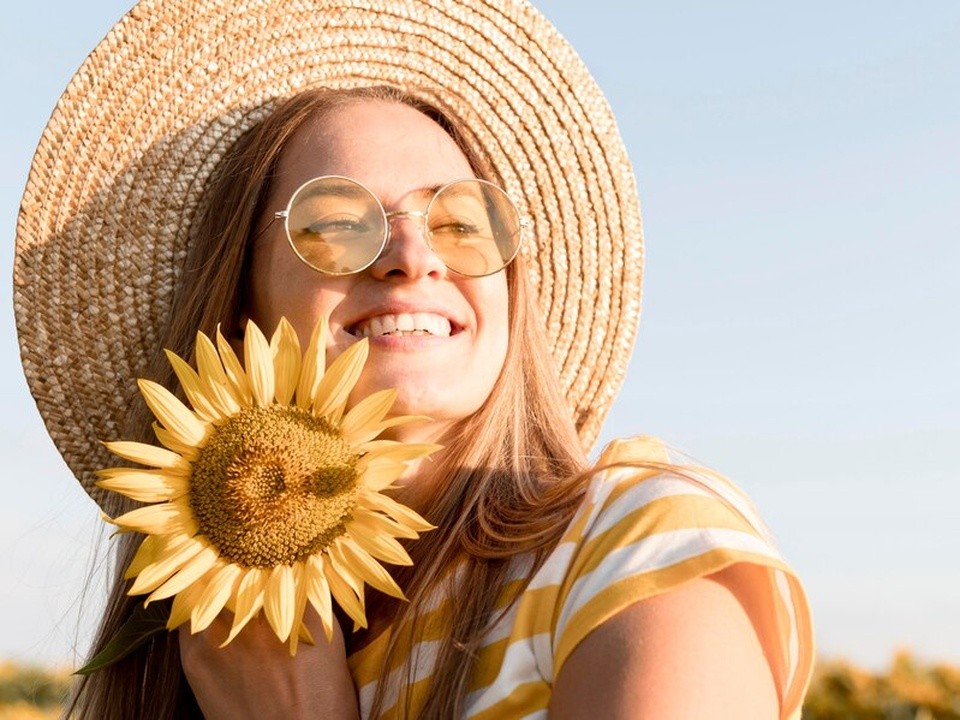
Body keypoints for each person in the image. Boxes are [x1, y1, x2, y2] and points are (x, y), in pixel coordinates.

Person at [13, 1, 813, 718]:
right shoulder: (197, 660)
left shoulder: (634, 547)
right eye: (336, 220)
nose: (412, 256)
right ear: (240, 300)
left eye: (462, 220)